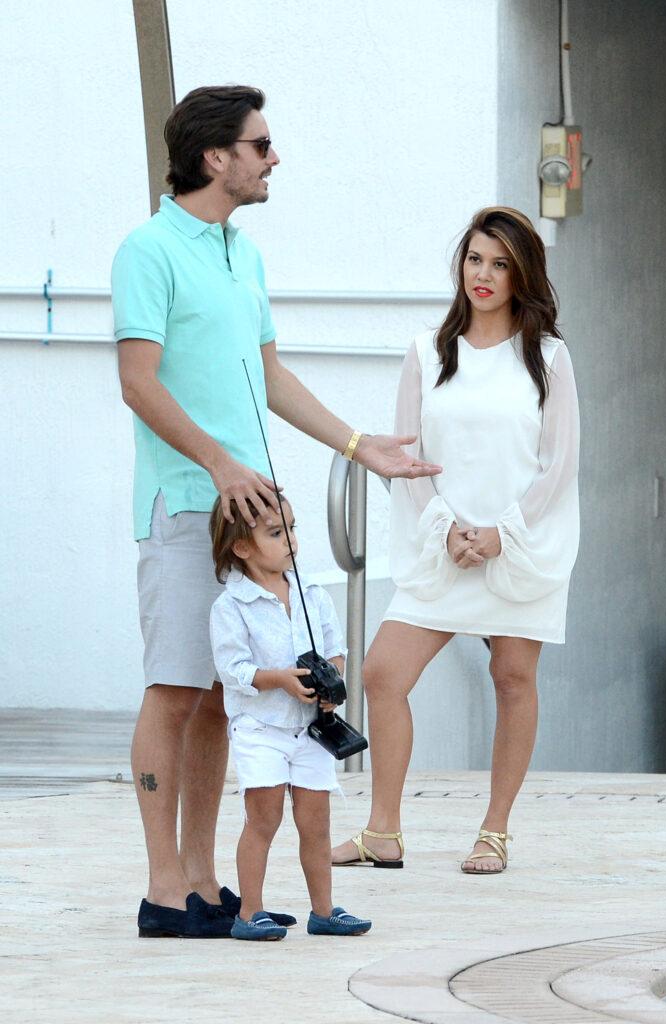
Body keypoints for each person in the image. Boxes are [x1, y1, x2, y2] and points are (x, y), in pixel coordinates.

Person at [112, 85, 439, 938]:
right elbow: (138, 382)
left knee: (223, 700)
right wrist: (218, 464)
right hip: (187, 504)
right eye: (261, 144)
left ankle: (202, 880)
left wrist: (357, 444)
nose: (274, 157)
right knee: (174, 691)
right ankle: (161, 888)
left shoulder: (240, 255)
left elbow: (271, 377)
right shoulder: (148, 251)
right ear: (215, 157)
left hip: (249, 507)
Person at [332, 207, 580, 875]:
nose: (484, 274)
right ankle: (382, 831)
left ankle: (493, 830)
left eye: (499, 263)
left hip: (517, 545)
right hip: (439, 543)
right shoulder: (425, 353)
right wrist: (445, 530)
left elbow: (556, 467)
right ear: (460, 265)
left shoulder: (548, 359)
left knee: (511, 678)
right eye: (475, 259)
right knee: (383, 673)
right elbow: (405, 457)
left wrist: (502, 534)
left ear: (520, 273)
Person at [209, 494, 372, 939]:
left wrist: (330, 688)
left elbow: (336, 650)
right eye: (276, 533)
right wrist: (279, 678)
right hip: (260, 730)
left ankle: (324, 911)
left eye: (292, 529)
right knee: (263, 820)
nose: (291, 541)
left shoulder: (312, 593)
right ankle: (249, 913)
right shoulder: (231, 606)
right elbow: (233, 670)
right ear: (241, 547)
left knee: (316, 823)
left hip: (310, 730)